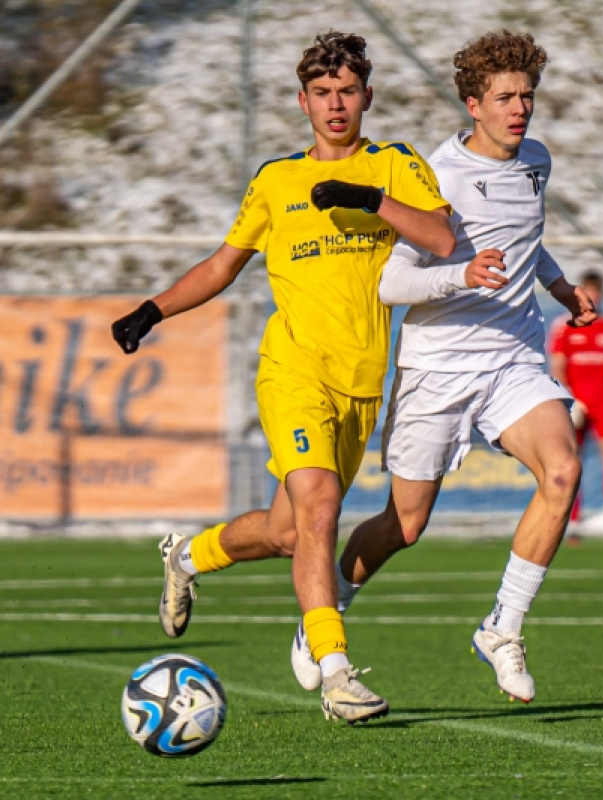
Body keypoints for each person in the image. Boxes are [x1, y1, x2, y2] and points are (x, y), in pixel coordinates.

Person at [111, 31, 455, 723]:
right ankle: (336, 673)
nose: (336, 104)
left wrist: (367, 197)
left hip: (361, 383)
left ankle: (188, 555)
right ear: (302, 102)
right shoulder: (276, 180)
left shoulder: (395, 165)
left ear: (367, 97)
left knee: (289, 532)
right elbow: (221, 264)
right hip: (292, 368)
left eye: (348, 91)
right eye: (323, 93)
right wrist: (153, 309)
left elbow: (443, 239)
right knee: (321, 506)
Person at [288, 29, 596, 703]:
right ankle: (326, 609)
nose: (520, 109)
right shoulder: (437, 175)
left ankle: (502, 627)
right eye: (505, 97)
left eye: (528, 96)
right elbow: (393, 284)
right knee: (405, 524)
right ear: (471, 104)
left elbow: (527, 240)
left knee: (564, 469)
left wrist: (561, 287)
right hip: (438, 366)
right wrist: (461, 276)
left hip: (512, 357)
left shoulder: (537, 160)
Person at [549, 269, 603, 545]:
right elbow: (557, 366)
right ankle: (573, 524)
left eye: (597, 292)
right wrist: (568, 398)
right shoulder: (564, 326)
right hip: (577, 404)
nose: (593, 296)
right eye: (589, 291)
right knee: (572, 462)